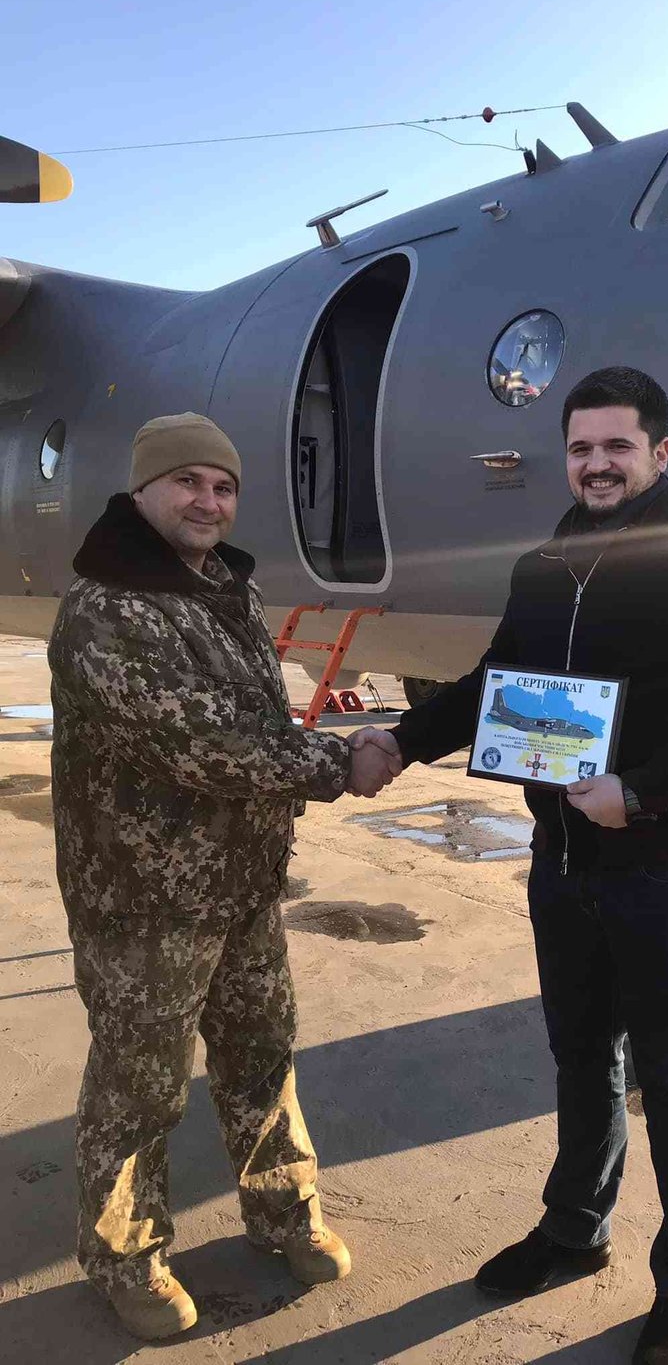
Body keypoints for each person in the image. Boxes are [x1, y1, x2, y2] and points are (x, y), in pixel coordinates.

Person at [355, 368, 668, 1365]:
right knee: (581, 1057)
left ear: (659, 454)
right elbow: (495, 687)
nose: (597, 465)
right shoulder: (543, 568)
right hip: (561, 861)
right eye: (581, 448)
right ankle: (574, 1231)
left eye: (616, 447)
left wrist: (643, 790)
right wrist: (401, 739)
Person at [48, 412, 400, 1341]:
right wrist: (340, 762)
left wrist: (315, 760)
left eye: (224, 487)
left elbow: (259, 719)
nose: (208, 501)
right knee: (140, 1085)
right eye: (188, 482)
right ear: (143, 490)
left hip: (241, 888)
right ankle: (125, 1258)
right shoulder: (108, 608)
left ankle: (284, 1211)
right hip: (144, 902)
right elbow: (204, 742)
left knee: (262, 1053)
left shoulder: (223, 590)